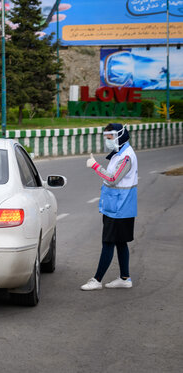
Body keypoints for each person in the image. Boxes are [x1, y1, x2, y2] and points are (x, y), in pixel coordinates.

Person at [81, 123, 138, 291]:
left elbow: (113, 179)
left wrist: (95, 166)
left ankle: (97, 280)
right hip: (117, 206)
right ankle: (125, 278)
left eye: (110, 136)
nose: (108, 140)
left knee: (108, 243)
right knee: (120, 242)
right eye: (106, 136)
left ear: (120, 135)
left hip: (120, 208)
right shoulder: (118, 153)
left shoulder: (126, 156)